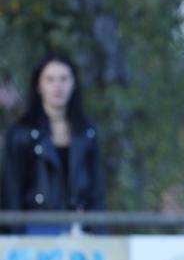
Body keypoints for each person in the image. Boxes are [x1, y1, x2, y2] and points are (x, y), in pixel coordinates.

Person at [1, 52, 106, 231]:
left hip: (78, 231)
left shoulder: (87, 133)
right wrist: (13, 236)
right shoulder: (21, 134)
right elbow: (12, 191)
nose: (58, 86)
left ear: (73, 84)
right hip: (34, 231)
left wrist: (96, 230)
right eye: (50, 79)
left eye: (64, 79)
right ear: (39, 86)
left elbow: (96, 192)